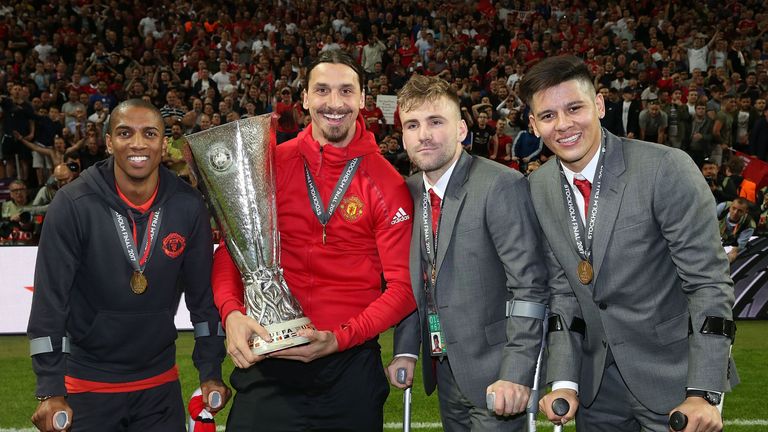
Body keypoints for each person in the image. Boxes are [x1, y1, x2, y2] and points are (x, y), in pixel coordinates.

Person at [520, 56, 736, 432]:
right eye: (549, 115)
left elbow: (708, 284)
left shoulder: (665, 168)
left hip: (676, 382)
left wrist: (704, 391)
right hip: (596, 389)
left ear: (600, 105)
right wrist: (565, 381)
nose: (565, 124)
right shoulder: (537, 188)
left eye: (575, 108)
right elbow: (564, 291)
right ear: (534, 125)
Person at [211, 50, 416, 432]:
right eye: (322, 90)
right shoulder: (268, 165)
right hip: (269, 361)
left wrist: (338, 340)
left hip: (349, 366)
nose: (334, 103)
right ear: (304, 98)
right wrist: (232, 313)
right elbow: (231, 252)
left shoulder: (387, 183)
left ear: (363, 100)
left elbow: (404, 288)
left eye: (346, 91)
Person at [27, 99, 230, 431]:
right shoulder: (72, 205)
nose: (137, 143)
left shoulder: (188, 205)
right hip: (88, 386)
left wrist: (210, 372)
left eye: (149, 133)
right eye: (125, 133)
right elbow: (51, 303)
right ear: (109, 142)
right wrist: (49, 389)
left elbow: (203, 301)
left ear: (164, 144)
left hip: (159, 386)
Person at [386, 74, 549, 431]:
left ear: (461, 129)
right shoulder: (408, 191)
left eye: (435, 122)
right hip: (443, 367)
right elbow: (415, 278)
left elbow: (531, 286)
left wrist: (517, 372)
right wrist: (406, 348)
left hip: (496, 372)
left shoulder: (501, 185)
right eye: (412, 125)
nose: (423, 134)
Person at [717, 197, 755, 263]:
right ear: (730, 207)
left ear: (745, 212)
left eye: (740, 211)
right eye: (733, 208)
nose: (735, 213)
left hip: (730, 244)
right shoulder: (723, 207)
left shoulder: (749, 225)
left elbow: (735, 249)